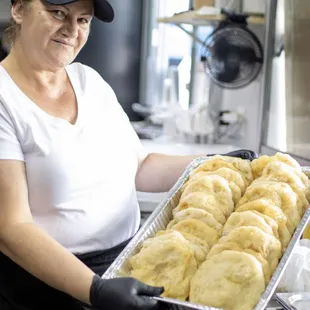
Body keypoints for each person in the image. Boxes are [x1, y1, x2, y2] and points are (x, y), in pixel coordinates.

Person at [0, 0, 258, 309]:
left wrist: (214, 162)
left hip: (127, 267)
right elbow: (11, 228)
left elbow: (141, 167)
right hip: (50, 288)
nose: (71, 30)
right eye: (58, 13)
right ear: (18, 8)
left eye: (83, 20)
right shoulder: (5, 99)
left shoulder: (89, 82)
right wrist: (94, 290)